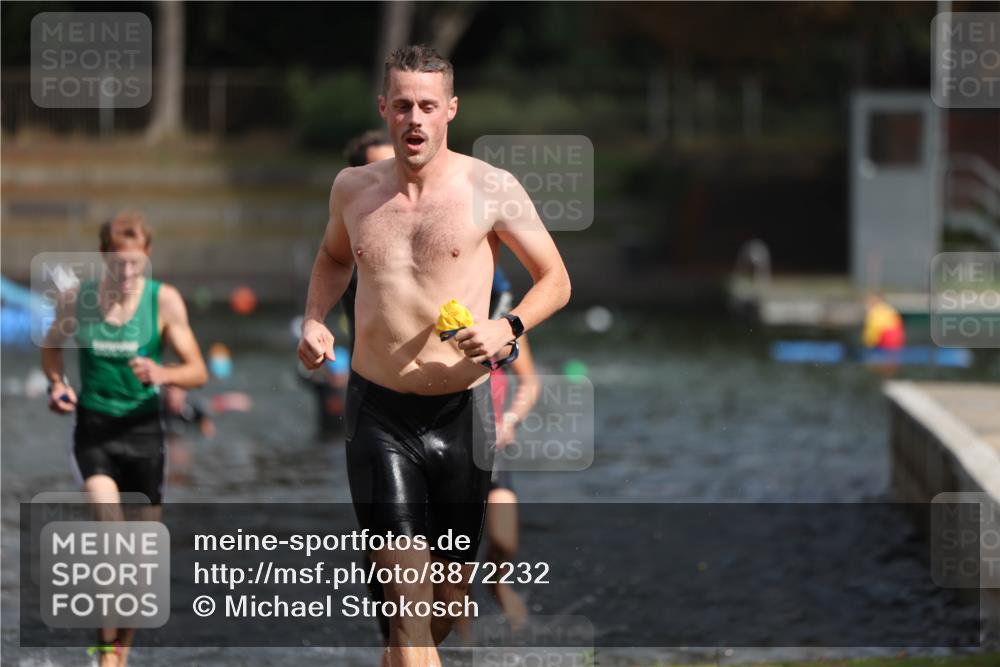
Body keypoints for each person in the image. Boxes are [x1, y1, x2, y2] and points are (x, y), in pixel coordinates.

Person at [297, 45, 571, 667]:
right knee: (407, 607)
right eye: (401, 105)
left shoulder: (490, 188)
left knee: (443, 609)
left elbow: (556, 278)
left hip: (463, 415)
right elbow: (334, 258)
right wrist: (315, 320)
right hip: (378, 418)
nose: (414, 118)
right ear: (384, 110)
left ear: (450, 109)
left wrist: (511, 326)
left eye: (427, 105)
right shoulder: (353, 189)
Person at [41, 211, 208, 667]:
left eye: (137, 264)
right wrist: (57, 385)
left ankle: (120, 652)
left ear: (147, 258)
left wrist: (164, 371)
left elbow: (198, 370)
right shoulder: (79, 300)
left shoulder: (165, 302)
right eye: (119, 263)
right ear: (103, 258)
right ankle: (104, 656)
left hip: (144, 438)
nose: (128, 273)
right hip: (95, 435)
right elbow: (51, 346)